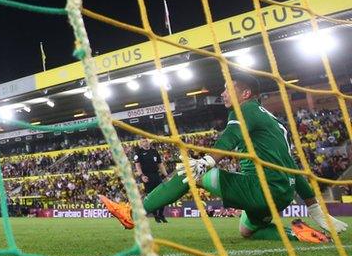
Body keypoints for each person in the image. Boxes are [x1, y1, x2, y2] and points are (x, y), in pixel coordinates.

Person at [101, 74, 347, 242]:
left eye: (229, 88)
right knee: (247, 229)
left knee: (188, 172)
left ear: (245, 93)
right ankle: (299, 234)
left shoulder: (244, 110)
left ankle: (132, 213)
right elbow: (291, 164)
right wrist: (314, 207)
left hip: (260, 190)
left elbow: (229, 137)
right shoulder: (272, 121)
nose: (223, 93)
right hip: (280, 194)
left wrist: (207, 161)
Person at [133, 138, 169, 223]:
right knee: (152, 196)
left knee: (163, 194)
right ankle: (156, 215)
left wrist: (166, 175)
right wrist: (142, 175)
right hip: (147, 176)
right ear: (140, 144)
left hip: (156, 175)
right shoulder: (139, 153)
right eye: (143, 142)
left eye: (146, 141)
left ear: (148, 142)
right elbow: (137, 166)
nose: (145, 143)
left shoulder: (154, 151)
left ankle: (161, 214)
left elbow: (160, 165)